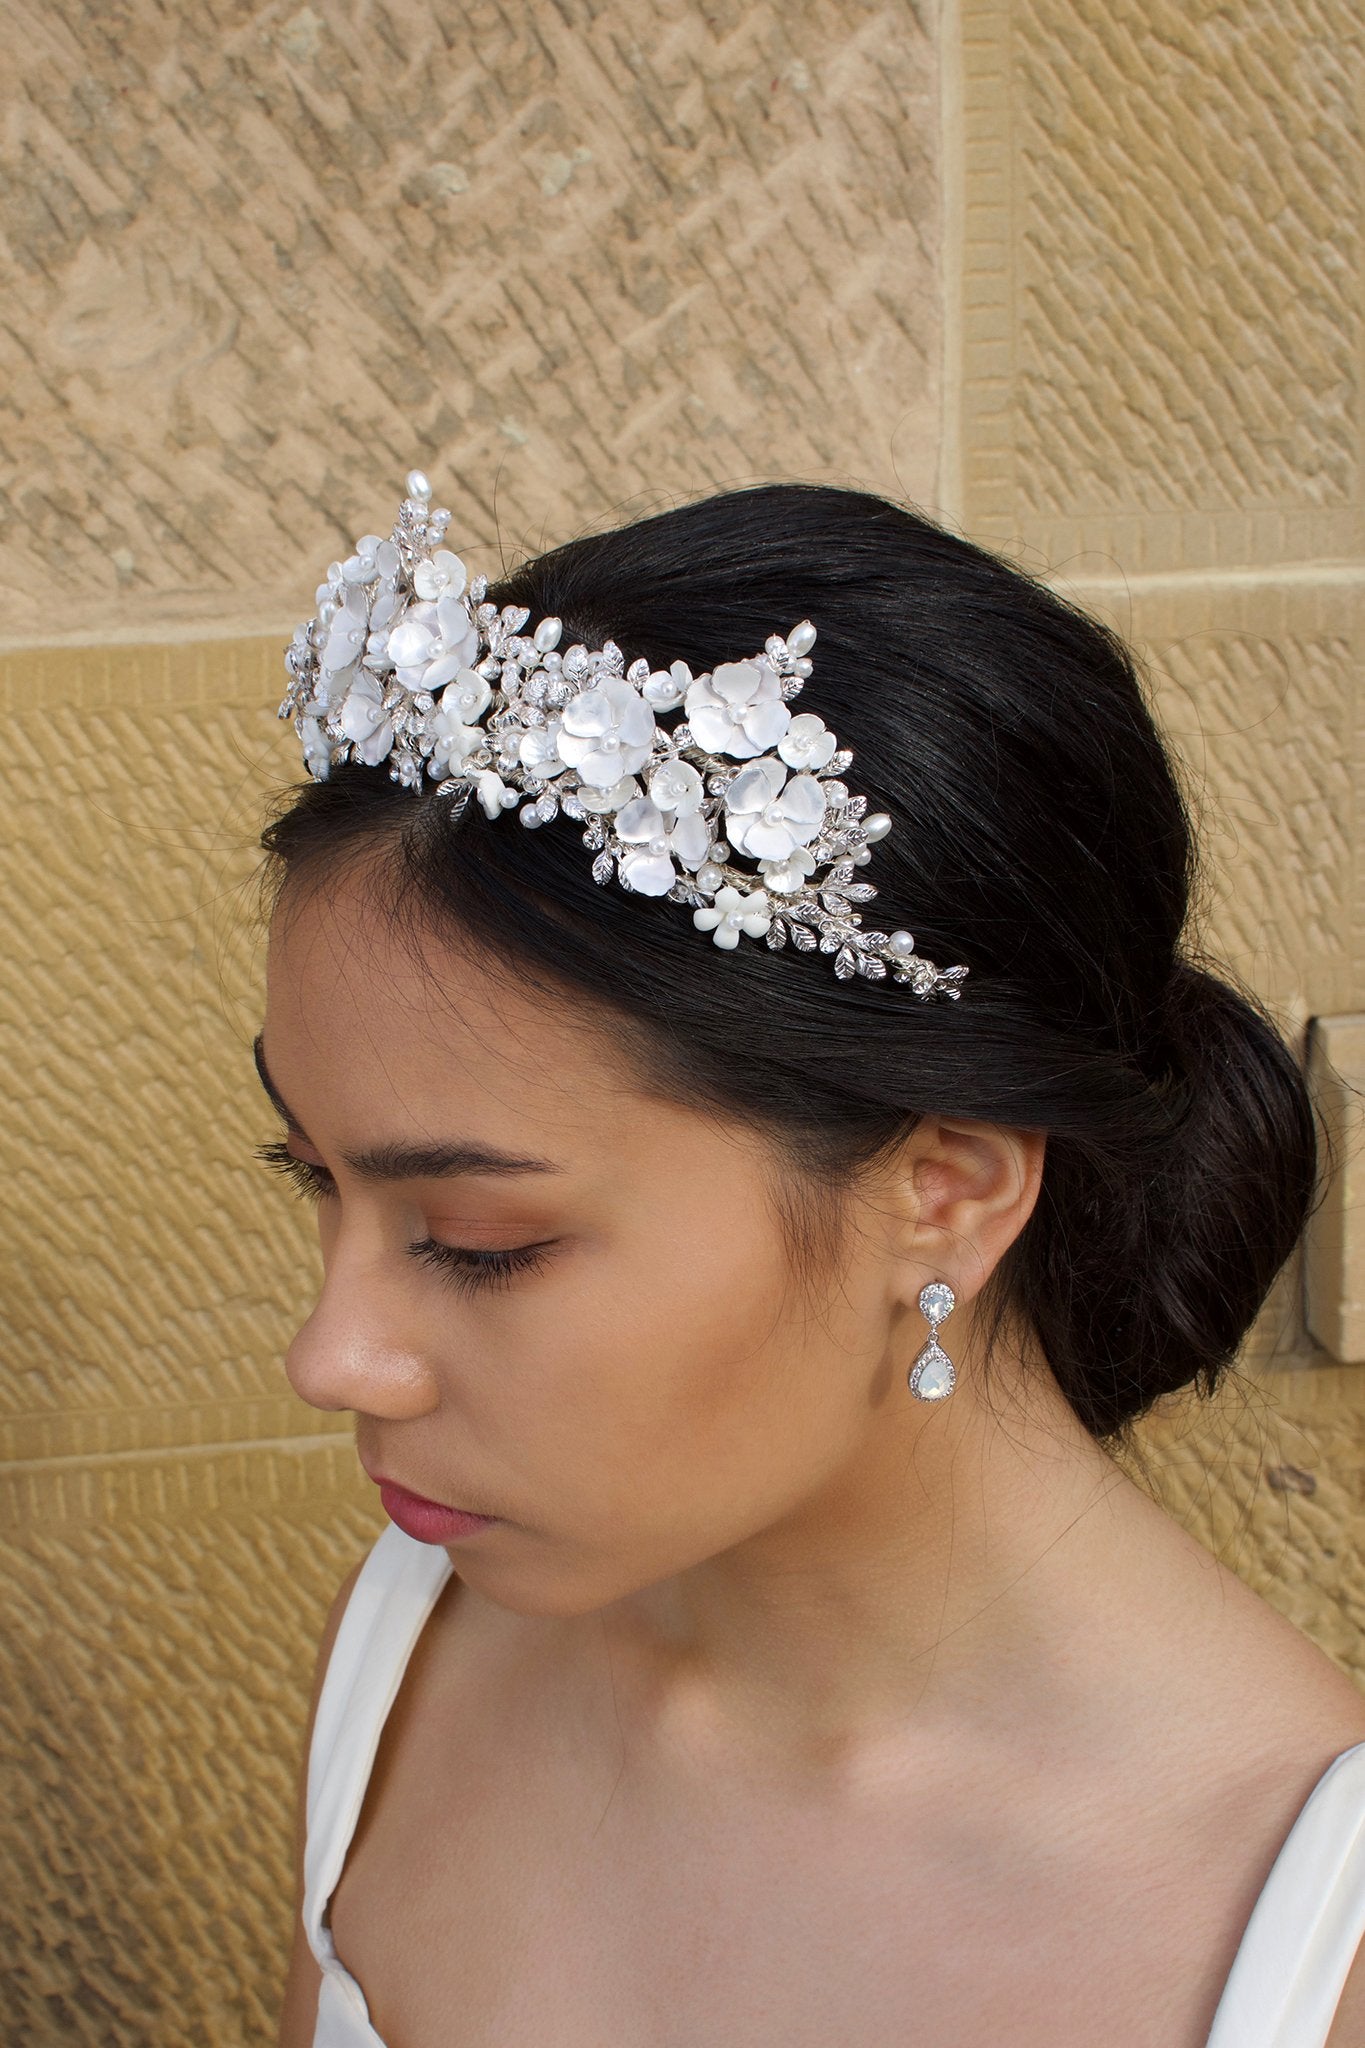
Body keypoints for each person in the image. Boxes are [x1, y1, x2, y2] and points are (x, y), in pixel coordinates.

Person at [260, 474, 1365, 2047]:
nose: (331, 1356)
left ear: (945, 1193)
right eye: (308, 1177)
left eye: (476, 1242)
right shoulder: (408, 1658)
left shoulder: (1305, 1945)